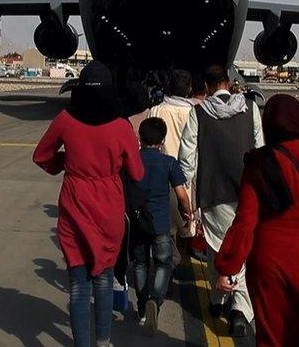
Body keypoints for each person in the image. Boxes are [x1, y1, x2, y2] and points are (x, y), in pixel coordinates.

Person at [214, 94, 299, 347]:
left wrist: (227, 266)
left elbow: (245, 221)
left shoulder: (258, 161)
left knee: (274, 331)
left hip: (270, 256)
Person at [32, 61, 144, 347]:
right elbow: (137, 173)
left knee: (78, 284)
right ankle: (103, 341)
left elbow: (41, 156)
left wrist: (66, 164)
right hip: (108, 206)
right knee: (104, 277)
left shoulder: (65, 120)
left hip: (74, 202)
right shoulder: (121, 126)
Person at [179, 64, 264, 337]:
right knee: (244, 248)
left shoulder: (198, 113)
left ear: (205, 86)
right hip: (246, 192)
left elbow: (187, 158)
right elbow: (260, 149)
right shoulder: (250, 109)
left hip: (213, 193)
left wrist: (187, 197)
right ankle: (240, 309)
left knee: (217, 249)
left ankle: (218, 300)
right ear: (228, 82)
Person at [131, 117, 193, 335]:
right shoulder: (169, 163)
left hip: (138, 221)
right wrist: (187, 213)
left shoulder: (132, 160)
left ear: (140, 137)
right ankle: (155, 300)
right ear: (163, 139)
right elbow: (181, 194)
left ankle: (141, 305)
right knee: (163, 263)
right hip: (160, 222)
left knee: (139, 263)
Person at [147, 69, 196, 244]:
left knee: (167, 226)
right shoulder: (195, 113)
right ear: (189, 89)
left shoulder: (157, 111)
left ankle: (171, 260)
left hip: (163, 177)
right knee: (188, 220)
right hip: (189, 178)